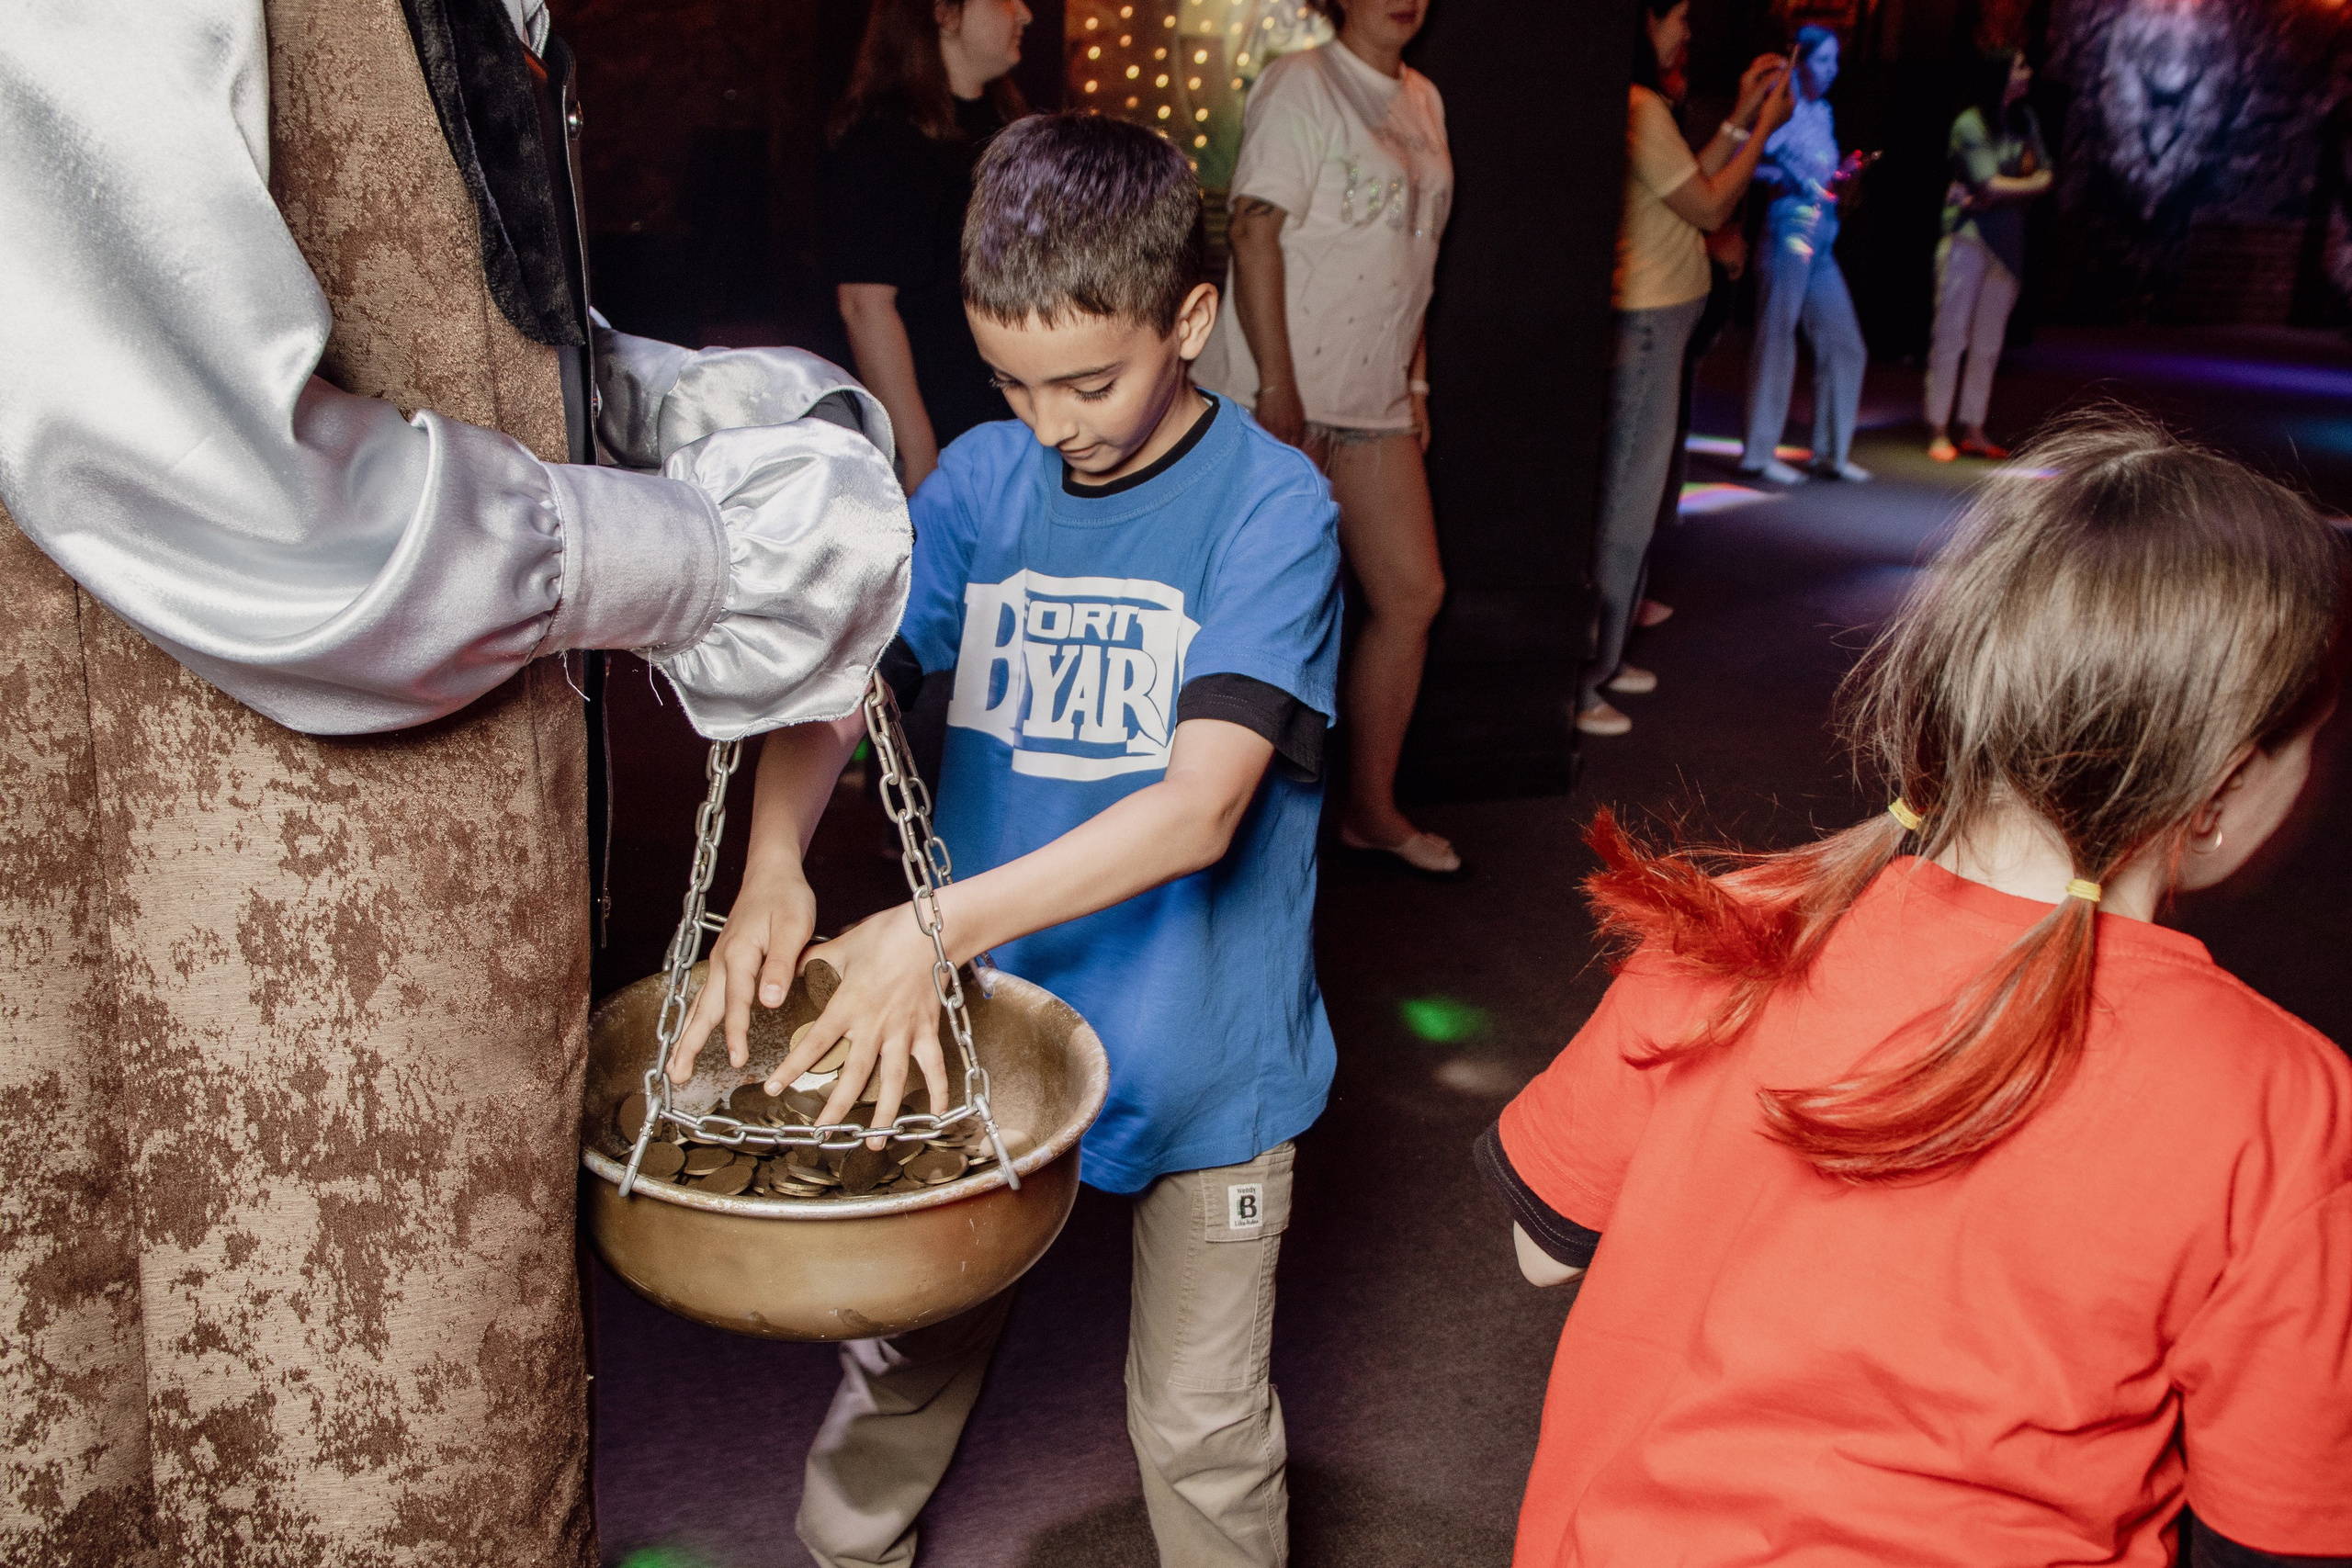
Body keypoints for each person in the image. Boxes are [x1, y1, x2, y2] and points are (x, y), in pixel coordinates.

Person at [0, 3, 911, 1562]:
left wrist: (708, 417)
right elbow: (219, 475)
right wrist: (703, 550)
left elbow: (455, 333)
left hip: (463, 933)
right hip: (255, 975)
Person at [1481, 414, 2352, 1565]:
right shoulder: (2278, 1099)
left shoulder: (1734, 927)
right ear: (2227, 785)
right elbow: (2272, 1522)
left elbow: (1544, 1247)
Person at [671, 114, 1342, 1568]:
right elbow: (842, 696)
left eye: (1091, 380)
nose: (1052, 424)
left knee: (1202, 1424)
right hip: (978, 1032)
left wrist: (925, 925)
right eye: (1012, 381)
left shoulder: (1276, 508)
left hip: (1204, 1050)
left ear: (1193, 319)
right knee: (903, 1355)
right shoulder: (980, 481)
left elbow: (1201, 804)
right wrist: (771, 857)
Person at [1193, 0, 1458, 873]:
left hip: (1373, 395)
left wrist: (1414, 377)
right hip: (1283, 394)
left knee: (1412, 593)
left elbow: (1418, 256)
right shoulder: (1302, 81)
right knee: (1248, 609)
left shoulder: (1424, 98)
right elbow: (1254, 229)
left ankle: (1370, 810)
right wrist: (1277, 386)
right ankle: (1206, 819)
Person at [1577, 0, 1792, 739]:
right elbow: (1707, 205)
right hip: (1643, 326)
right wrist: (1767, 127)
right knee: (1623, 511)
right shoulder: (1637, 104)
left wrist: (1740, 111)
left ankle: (1604, 658)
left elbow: (1688, 180)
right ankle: (1582, 681)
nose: (1689, 31)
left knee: (1632, 504)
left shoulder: (1646, 106)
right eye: (1677, 16)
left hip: (1657, 324)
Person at [825, 0, 1032, 493]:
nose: (1023, 14)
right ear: (944, 11)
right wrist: (920, 455)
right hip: (946, 439)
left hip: (1017, 430)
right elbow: (864, 305)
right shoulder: (883, 139)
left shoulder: (1008, 126)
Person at [1739, 25, 1872, 486]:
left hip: (1822, 234)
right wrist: (1788, 176)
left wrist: (1842, 176)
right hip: (1788, 227)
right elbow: (1748, 159)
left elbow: (1822, 176)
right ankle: (1758, 453)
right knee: (1777, 335)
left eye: (1836, 61)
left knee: (1845, 343)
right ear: (1801, 60)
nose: (1832, 70)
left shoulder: (1824, 111)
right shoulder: (1782, 105)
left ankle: (1831, 455)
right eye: (1823, 61)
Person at [1926, 48, 2052, 463]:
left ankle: (1973, 425)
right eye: (2020, 65)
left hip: (2008, 245)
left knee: (1988, 342)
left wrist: (2004, 191)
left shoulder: (2024, 119)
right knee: (1951, 334)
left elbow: (2046, 176)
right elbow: (1987, 183)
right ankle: (1938, 427)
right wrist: (2014, 187)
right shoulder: (1970, 122)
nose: (2028, 72)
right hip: (1967, 239)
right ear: (1997, 75)